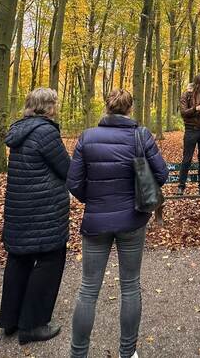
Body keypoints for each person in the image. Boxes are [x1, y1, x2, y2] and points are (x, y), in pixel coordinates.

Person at [68, 89, 167, 358]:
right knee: (130, 285)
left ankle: (78, 354)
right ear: (130, 108)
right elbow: (162, 173)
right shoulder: (141, 135)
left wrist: (97, 201)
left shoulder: (88, 137)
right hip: (132, 220)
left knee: (88, 289)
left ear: (107, 107)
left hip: (96, 222)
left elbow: (74, 182)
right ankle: (128, 353)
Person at [0, 88, 71, 345]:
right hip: (44, 208)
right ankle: (33, 323)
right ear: (48, 106)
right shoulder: (45, 131)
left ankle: (10, 319)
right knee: (50, 260)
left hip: (20, 205)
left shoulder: (20, 130)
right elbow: (66, 168)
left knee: (19, 259)